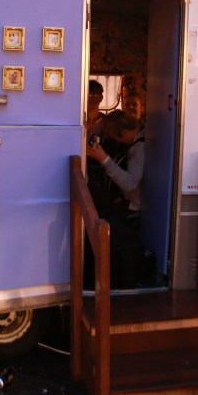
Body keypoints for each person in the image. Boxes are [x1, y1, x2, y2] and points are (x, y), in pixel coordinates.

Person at [85, 110, 145, 287]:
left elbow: (129, 184)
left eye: (115, 138)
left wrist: (104, 159)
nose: (116, 142)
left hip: (133, 208)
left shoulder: (139, 149)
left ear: (124, 133)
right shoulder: (141, 138)